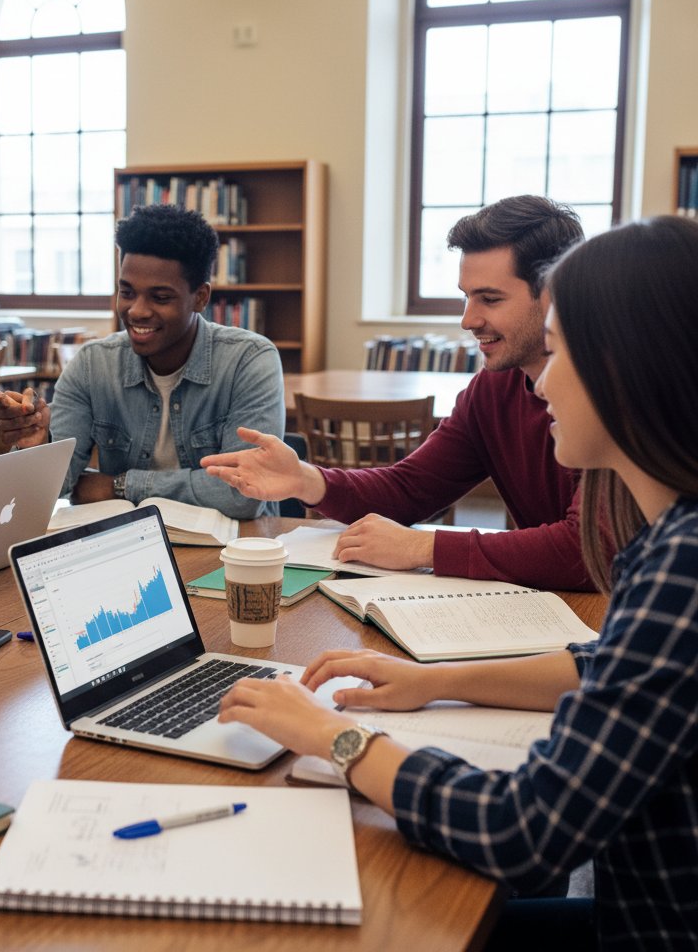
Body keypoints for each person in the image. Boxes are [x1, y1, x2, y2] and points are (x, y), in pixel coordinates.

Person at [218, 215, 698, 949]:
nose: (544, 383)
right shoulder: (673, 545)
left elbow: (524, 830)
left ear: (632, 365)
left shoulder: (681, 571)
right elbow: (609, 668)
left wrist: (332, 736)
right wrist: (431, 678)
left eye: (563, 347)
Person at [203, 195, 593, 589]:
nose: (468, 320)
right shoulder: (492, 389)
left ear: (552, 294)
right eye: (466, 296)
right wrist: (306, 480)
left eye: (489, 299)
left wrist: (425, 548)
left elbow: (588, 549)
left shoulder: (613, 391)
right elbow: (411, 488)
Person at [0, 203, 285, 518]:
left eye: (160, 298)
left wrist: (119, 486)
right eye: (127, 292)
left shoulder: (249, 361)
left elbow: (243, 495)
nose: (137, 311)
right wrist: (36, 450)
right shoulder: (93, 365)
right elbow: (52, 490)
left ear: (200, 297)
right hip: (130, 548)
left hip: (237, 552)